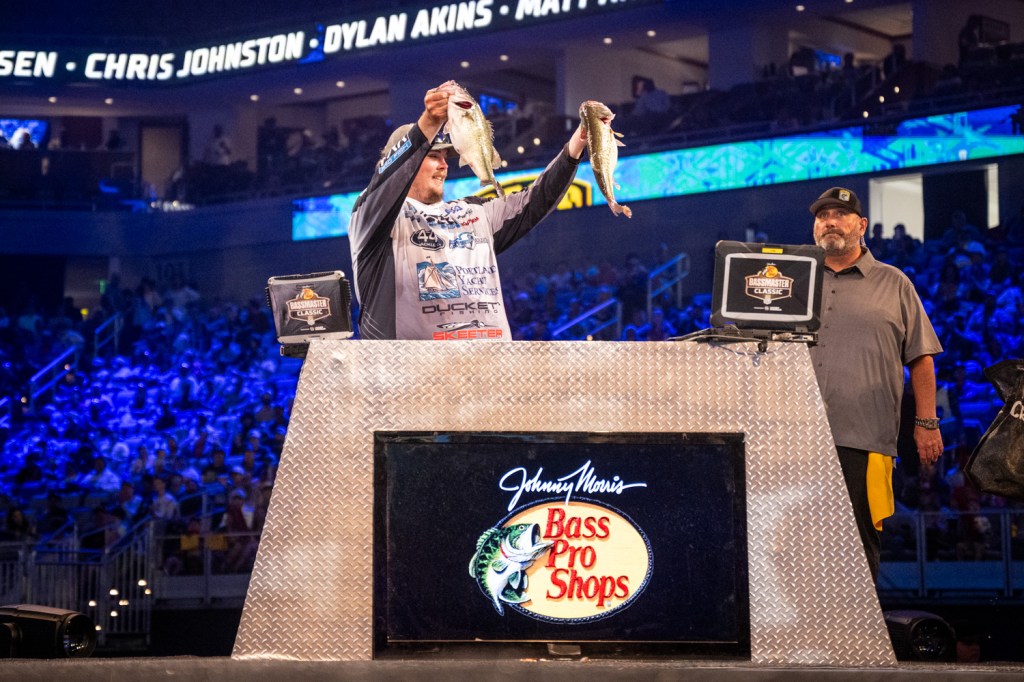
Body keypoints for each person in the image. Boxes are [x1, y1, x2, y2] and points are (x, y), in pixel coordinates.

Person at [348, 82, 588, 340]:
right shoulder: (372, 215)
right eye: (433, 156)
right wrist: (428, 123)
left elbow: (536, 200)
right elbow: (386, 180)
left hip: (489, 360)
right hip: (409, 363)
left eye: (445, 157)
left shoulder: (474, 211)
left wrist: (576, 146)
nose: (444, 165)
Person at [806, 186, 943, 583]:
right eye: (822, 216)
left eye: (840, 215)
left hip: (864, 438)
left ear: (862, 225)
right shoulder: (796, 282)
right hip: (796, 437)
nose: (830, 222)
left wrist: (927, 423)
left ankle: (855, 624)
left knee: (857, 544)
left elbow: (921, 358)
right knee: (796, 542)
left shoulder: (894, 283)